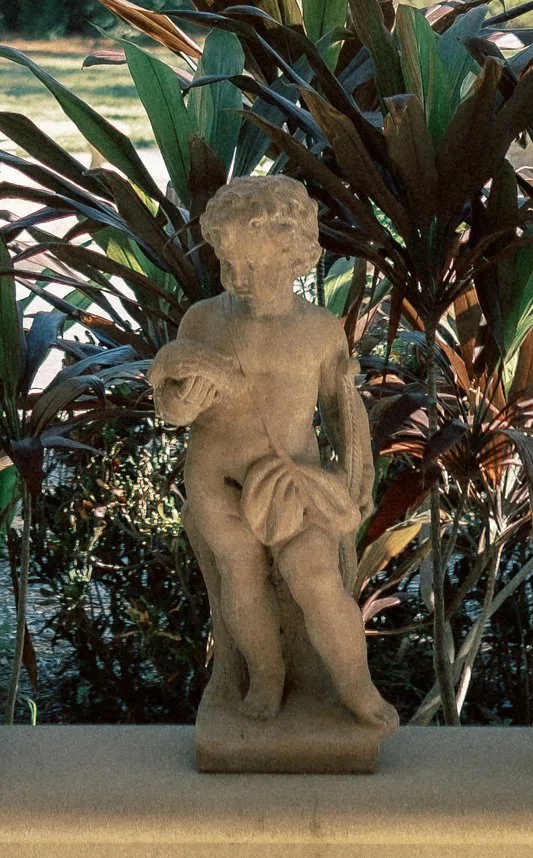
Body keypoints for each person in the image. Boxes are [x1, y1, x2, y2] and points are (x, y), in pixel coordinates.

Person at [149, 172, 396, 733]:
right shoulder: (204, 320)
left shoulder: (318, 330)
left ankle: (357, 688)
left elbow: (342, 410)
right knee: (241, 577)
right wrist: (183, 395)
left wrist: (356, 476)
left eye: (254, 267)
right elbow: (173, 407)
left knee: (314, 580)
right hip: (216, 478)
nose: (238, 279)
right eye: (227, 265)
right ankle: (265, 676)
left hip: (295, 478)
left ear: (293, 256)